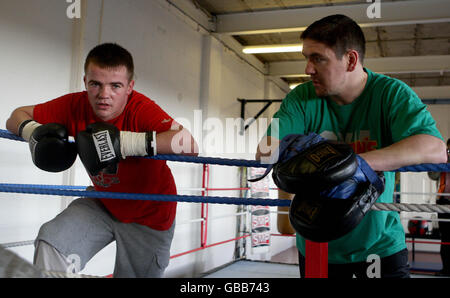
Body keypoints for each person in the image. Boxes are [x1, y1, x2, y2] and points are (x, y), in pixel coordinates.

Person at [255, 14, 447, 278]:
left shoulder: (390, 94)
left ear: (351, 60)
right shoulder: (301, 98)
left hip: (379, 246)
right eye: (306, 58)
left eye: (318, 58)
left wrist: (356, 165)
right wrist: (295, 155)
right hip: (316, 247)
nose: (308, 69)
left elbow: (435, 149)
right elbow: (266, 151)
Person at [6, 43, 198, 278]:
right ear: (85, 82)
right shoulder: (74, 105)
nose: (103, 94)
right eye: (95, 84)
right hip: (103, 204)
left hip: (150, 216)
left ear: (130, 87)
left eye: (115, 86)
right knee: (52, 244)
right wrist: (34, 133)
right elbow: (16, 116)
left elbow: (189, 145)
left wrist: (124, 143)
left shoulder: (141, 109)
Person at [428, 138, 450, 276]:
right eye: (448, 150)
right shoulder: (443, 161)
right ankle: (446, 269)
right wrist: (441, 160)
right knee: (446, 238)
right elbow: (432, 175)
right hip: (443, 202)